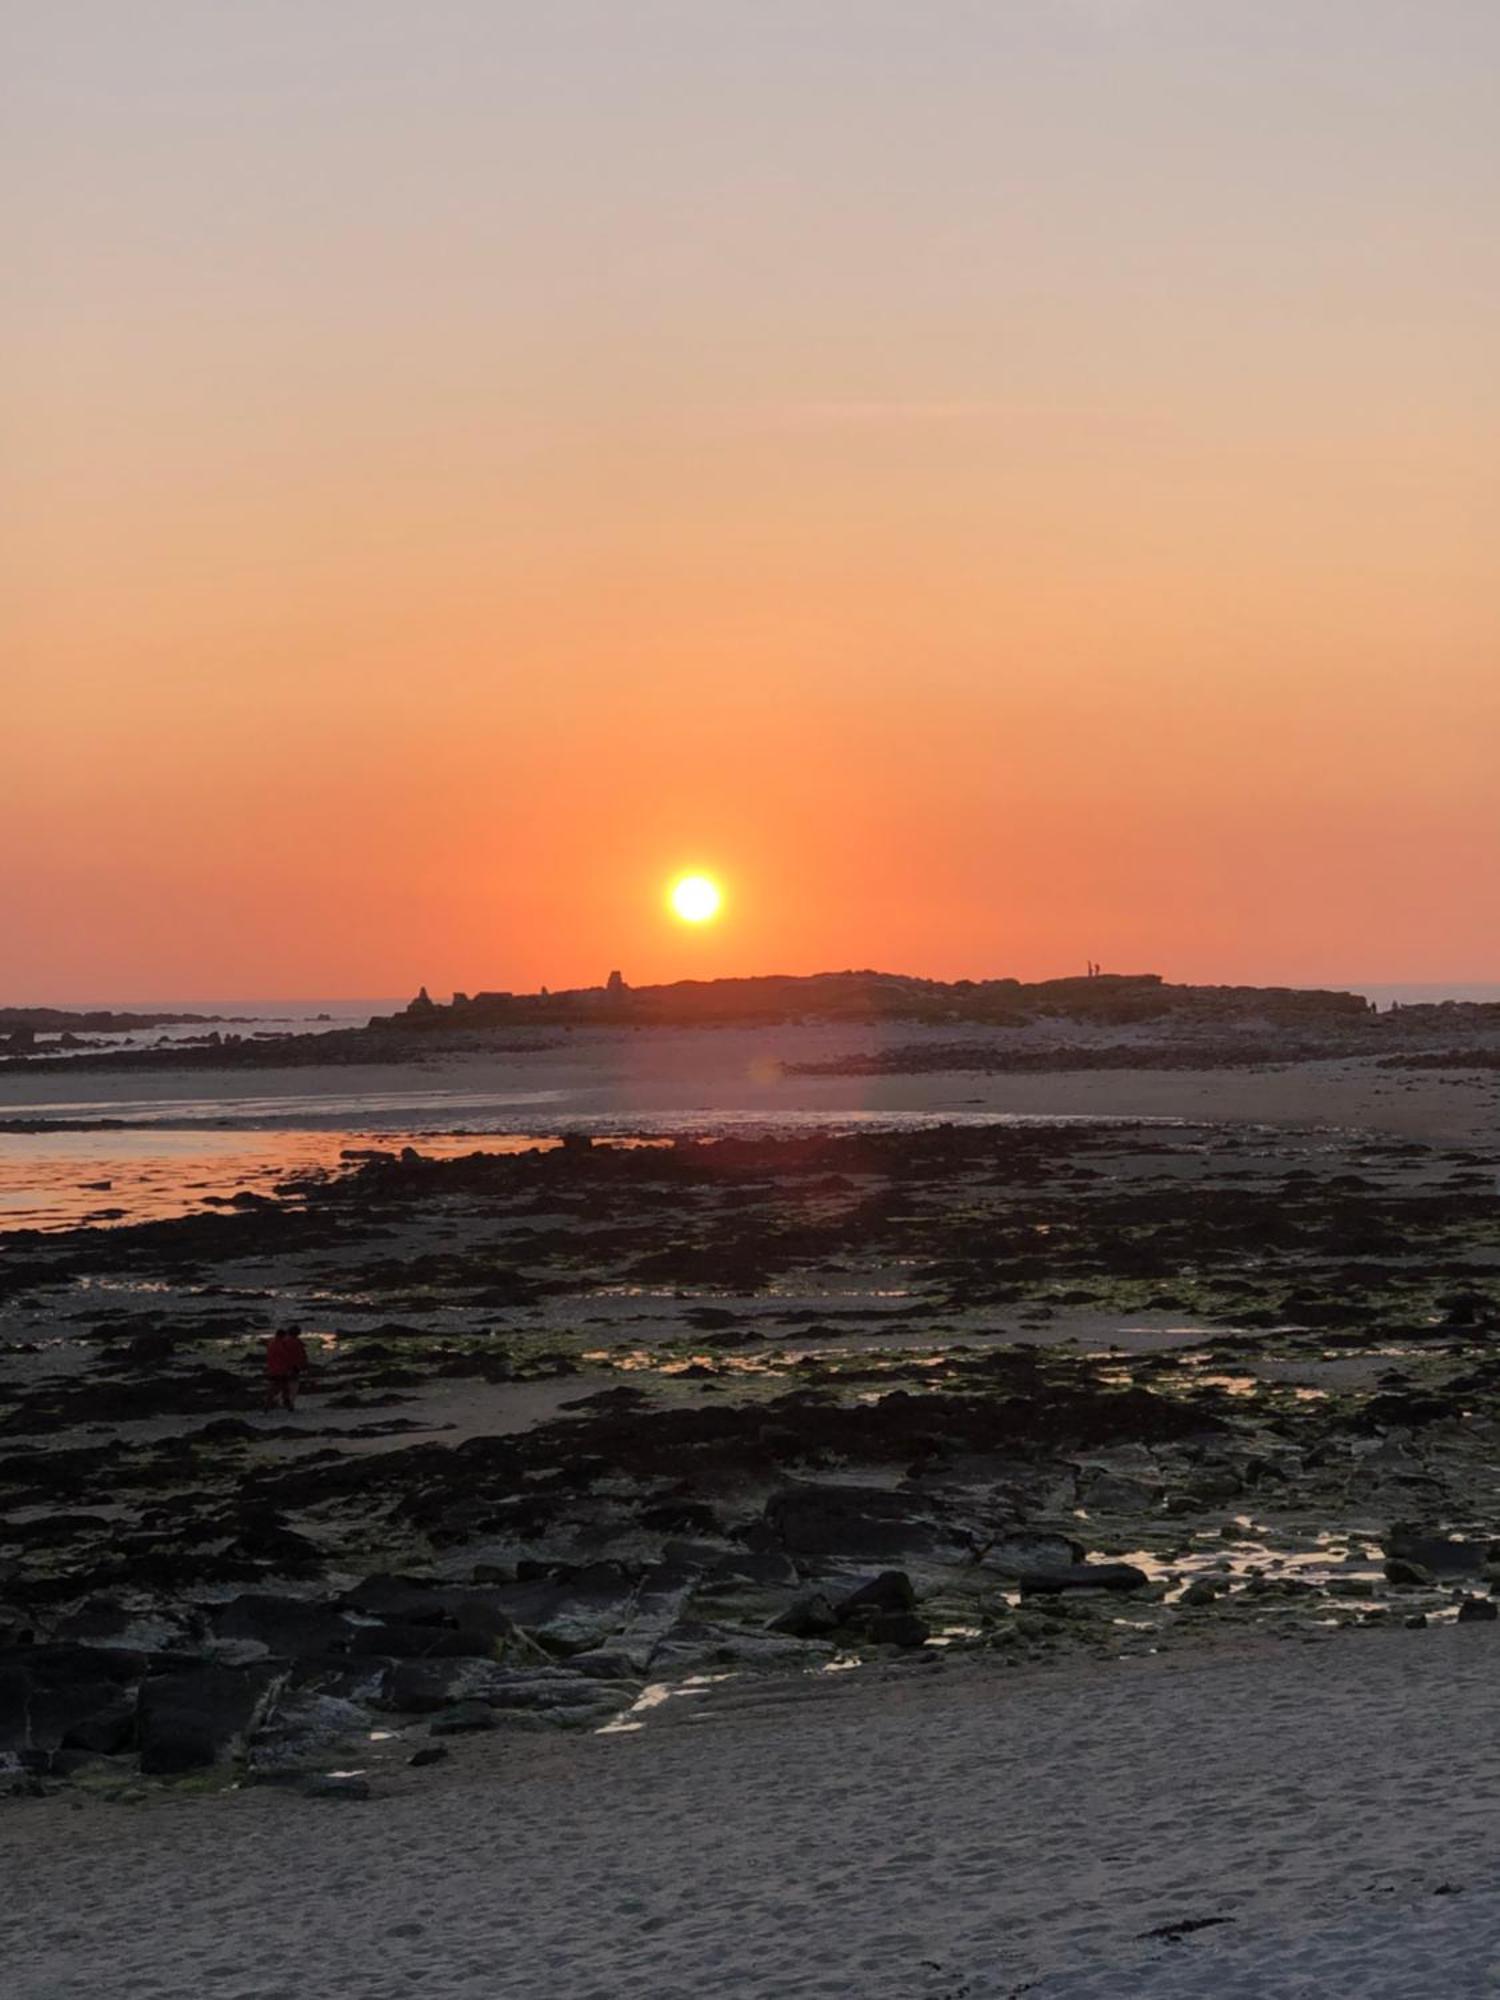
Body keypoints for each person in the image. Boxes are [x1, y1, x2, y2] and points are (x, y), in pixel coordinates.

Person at [264, 1324, 311, 1412]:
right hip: (284, 1369)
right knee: (287, 1387)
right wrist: (298, 1366)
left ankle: (270, 1405)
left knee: (276, 1387)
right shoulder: (287, 1344)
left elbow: (271, 1357)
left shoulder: (273, 1344)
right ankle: (288, 1405)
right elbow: (291, 1357)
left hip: (273, 1369)